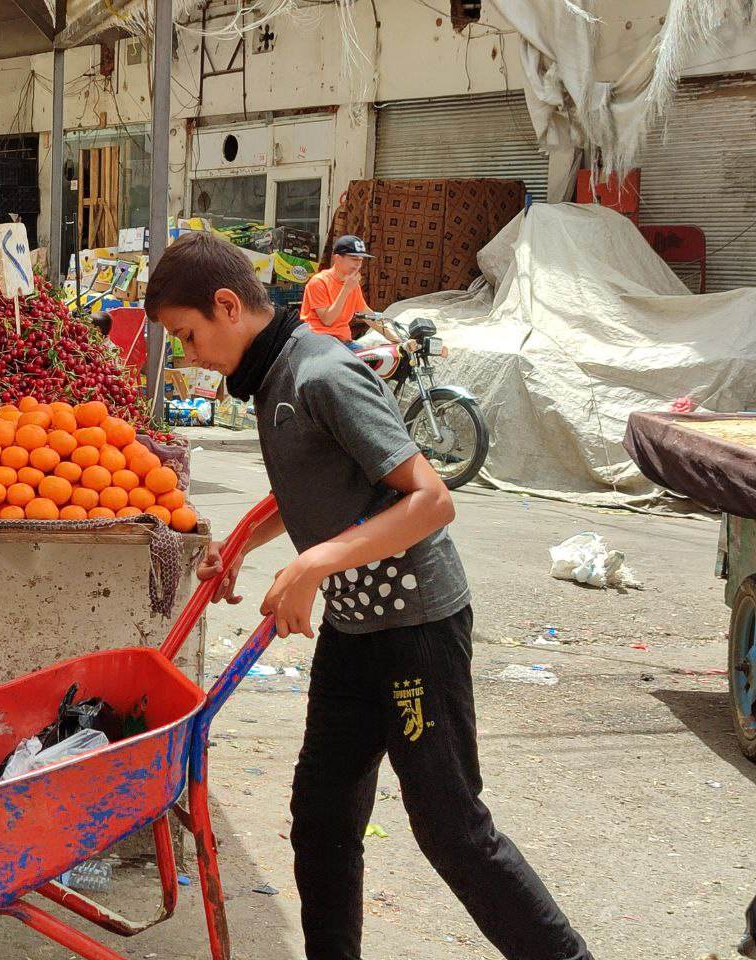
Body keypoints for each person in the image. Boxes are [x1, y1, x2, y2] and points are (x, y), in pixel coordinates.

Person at [144, 231, 593, 960]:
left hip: (414, 628)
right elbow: (314, 481)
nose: (190, 356)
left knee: (452, 828)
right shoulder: (273, 379)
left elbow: (429, 500)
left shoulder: (323, 372)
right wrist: (240, 548)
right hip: (355, 634)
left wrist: (315, 565)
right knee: (321, 817)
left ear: (227, 306)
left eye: (188, 336)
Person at [300, 235, 396, 350]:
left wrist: (397, 340)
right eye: (354, 259)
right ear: (337, 258)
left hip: (344, 342)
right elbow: (328, 320)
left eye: (360, 260)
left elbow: (367, 314)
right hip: (320, 343)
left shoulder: (352, 284)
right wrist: (346, 289)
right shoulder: (319, 282)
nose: (357, 265)